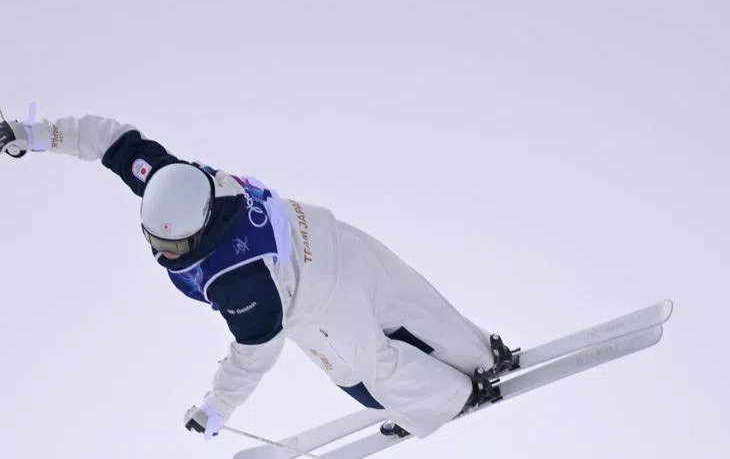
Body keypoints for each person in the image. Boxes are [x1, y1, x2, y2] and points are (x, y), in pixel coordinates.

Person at [0, 110, 515, 440]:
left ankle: (453, 399)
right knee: (410, 302)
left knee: (365, 368)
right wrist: (27, 135)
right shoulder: (170, 179)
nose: (163, 252)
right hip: (330, 235)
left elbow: (254, 354)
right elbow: (105, 138)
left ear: (200, 229)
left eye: (172, 245)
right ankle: (479, 353)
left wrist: (216, 408)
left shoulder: (235, 278)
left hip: (318, 298)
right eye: (156, 240)